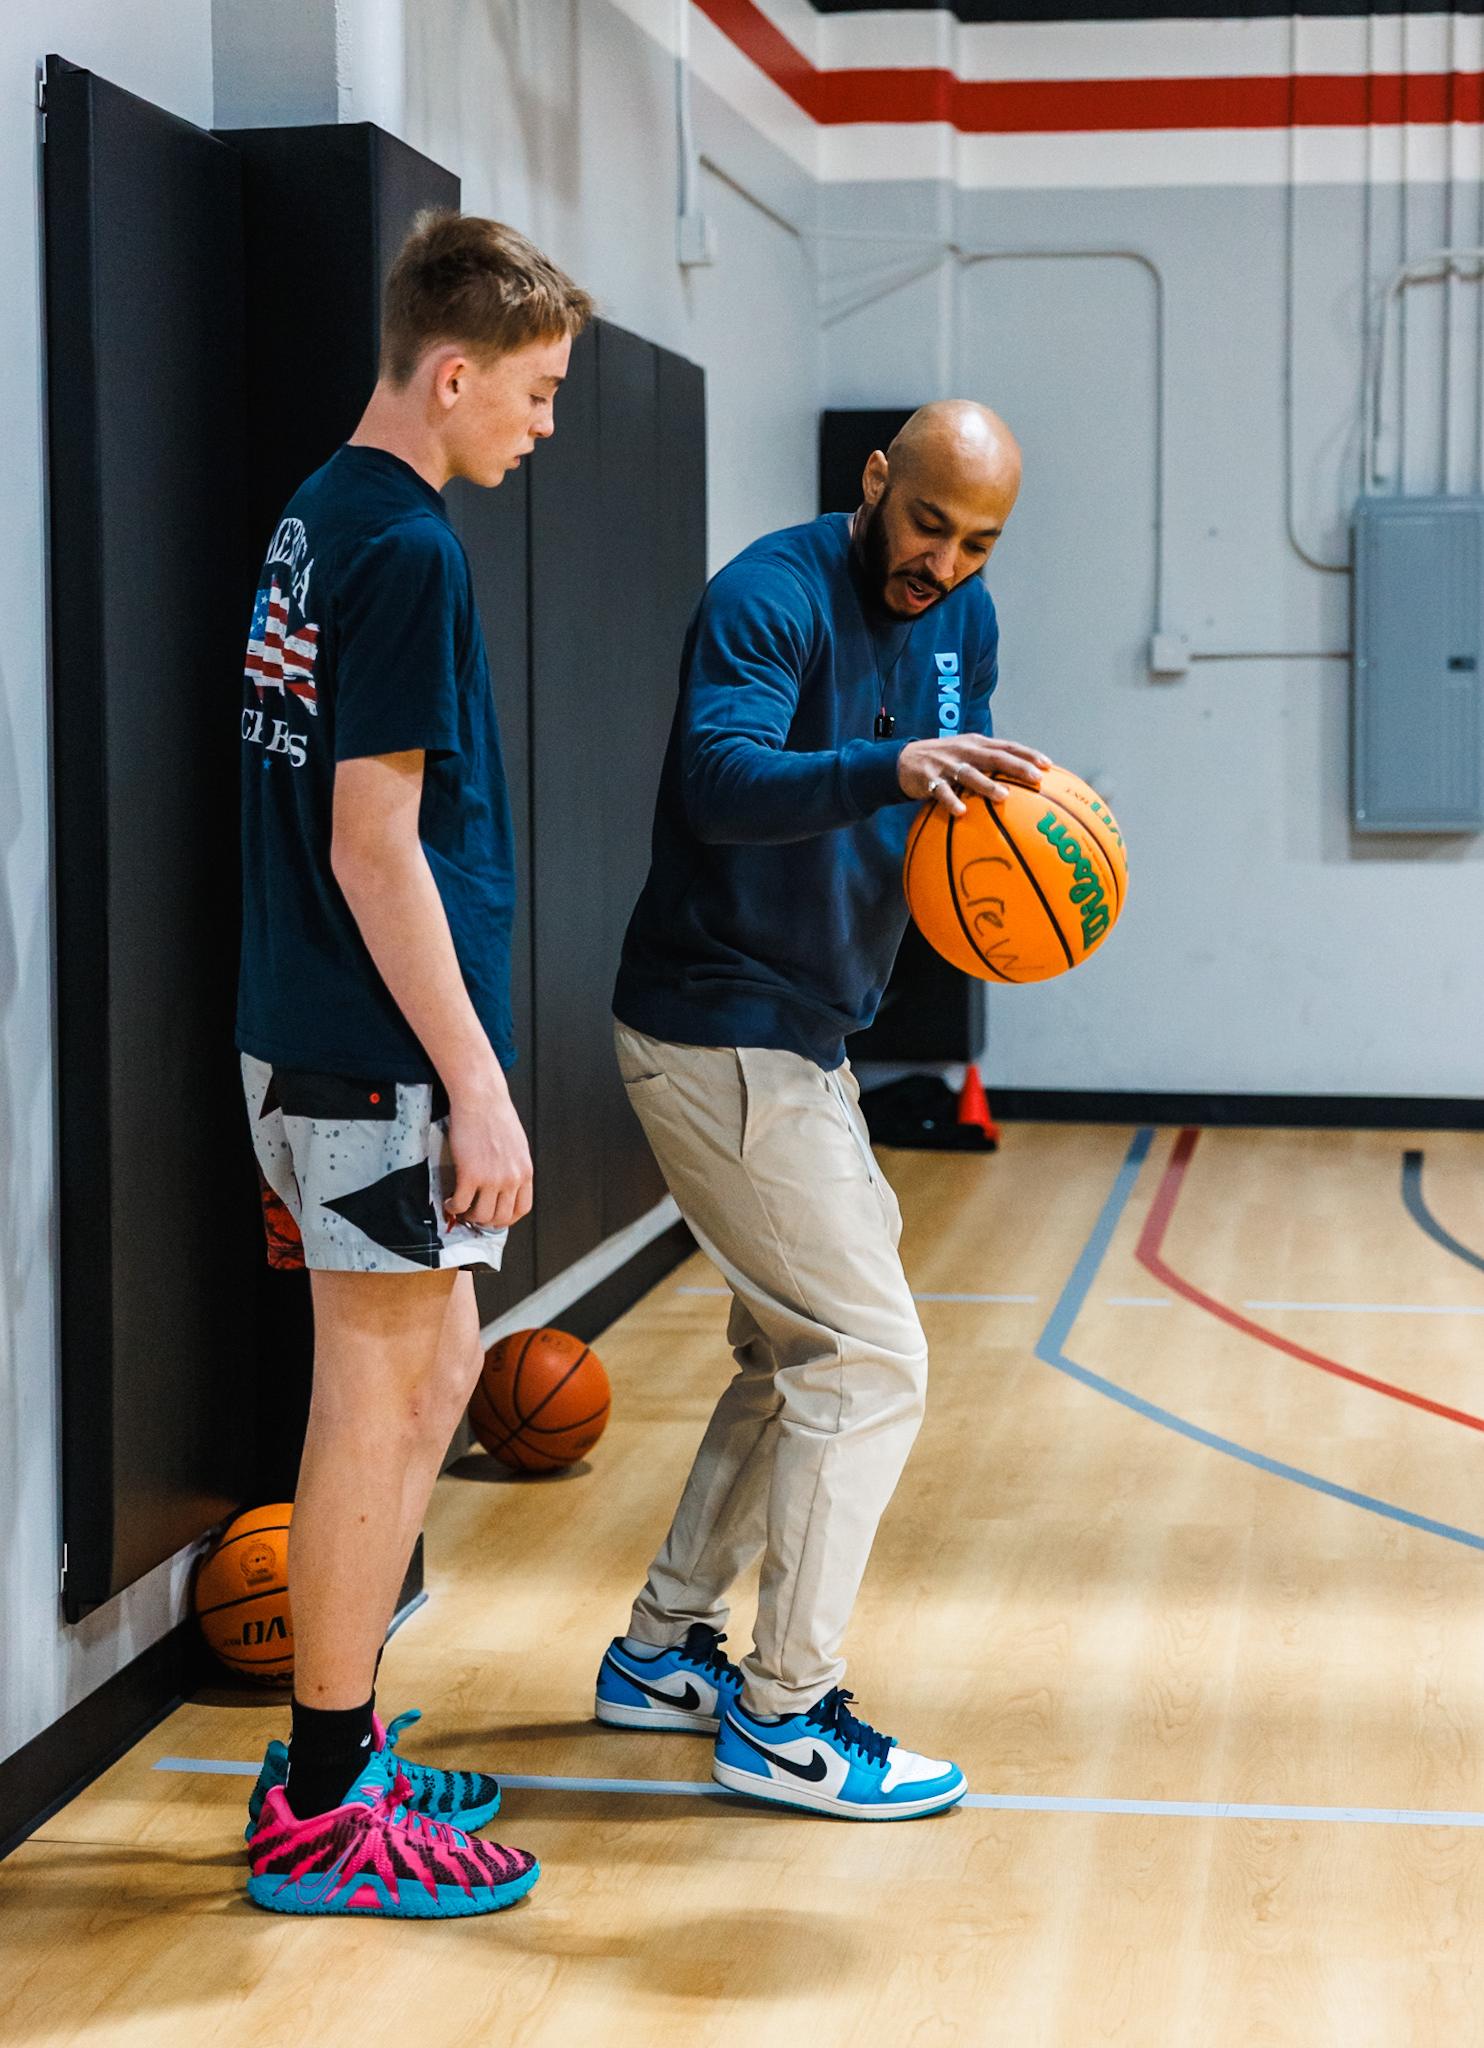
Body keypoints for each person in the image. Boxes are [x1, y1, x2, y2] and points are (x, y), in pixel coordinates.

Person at [594, 402, 1049, 1819]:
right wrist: (887, 767)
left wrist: (1020, 864)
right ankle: (784, 1716)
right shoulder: (770, 594)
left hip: (806, 1031)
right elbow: (718, 783)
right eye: (927, 526)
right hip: (714, 1024)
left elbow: (947, 811)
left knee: (791, 1353)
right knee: (869, 1359)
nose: (943, 564)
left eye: (976, 544)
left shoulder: (966, 624)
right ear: (874, 480)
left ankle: (660, 1650)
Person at [236, 211, 592, 1917]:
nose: (544, 424)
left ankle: (346, 1743)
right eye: (533, 392)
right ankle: (320, 1808)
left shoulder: (321, 511)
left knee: (433, 1382)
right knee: (372, 1407)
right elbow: (372, 847)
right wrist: (481, 1081)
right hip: (369, 1055)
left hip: (329, 1040)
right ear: (452, 376)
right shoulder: (405, 549)